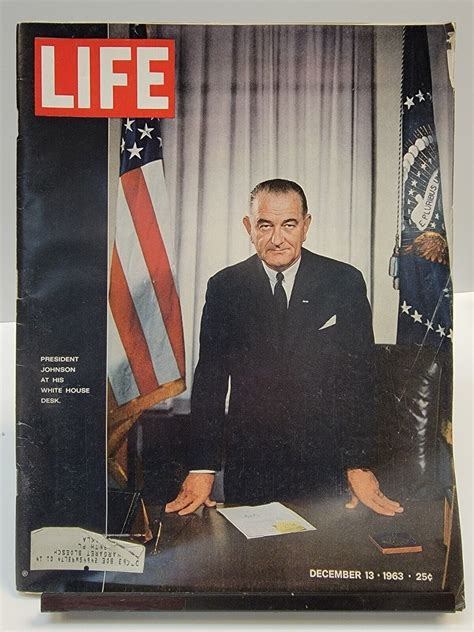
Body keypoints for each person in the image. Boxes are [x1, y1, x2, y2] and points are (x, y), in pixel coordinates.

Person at [166, 179, 403, 517]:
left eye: (289, 225)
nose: (277, 239)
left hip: (325, 464)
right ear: (249, 228)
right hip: (250, 465)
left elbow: (359, 379)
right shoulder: (225, 287)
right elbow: (210, 380)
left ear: (306, 226)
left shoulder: (343, 282)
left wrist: (359, 464)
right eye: (265, 225)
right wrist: (202, 467)